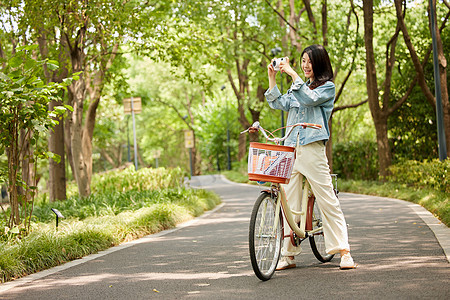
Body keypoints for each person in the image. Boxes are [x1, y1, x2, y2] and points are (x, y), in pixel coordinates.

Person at [264, 44, 356, 270]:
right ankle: (288, 254)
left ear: (320, 63)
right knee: (289, 202)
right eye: (303, 61)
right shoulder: (299, 87)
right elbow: (279, 103)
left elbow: (309, 99)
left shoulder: (327, 88)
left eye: (309, 61)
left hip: (312, 148)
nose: (305, 65)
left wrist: (293, 74)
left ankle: (344, 251)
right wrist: (272, 78)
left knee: (326, 198)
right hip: (291, 149)